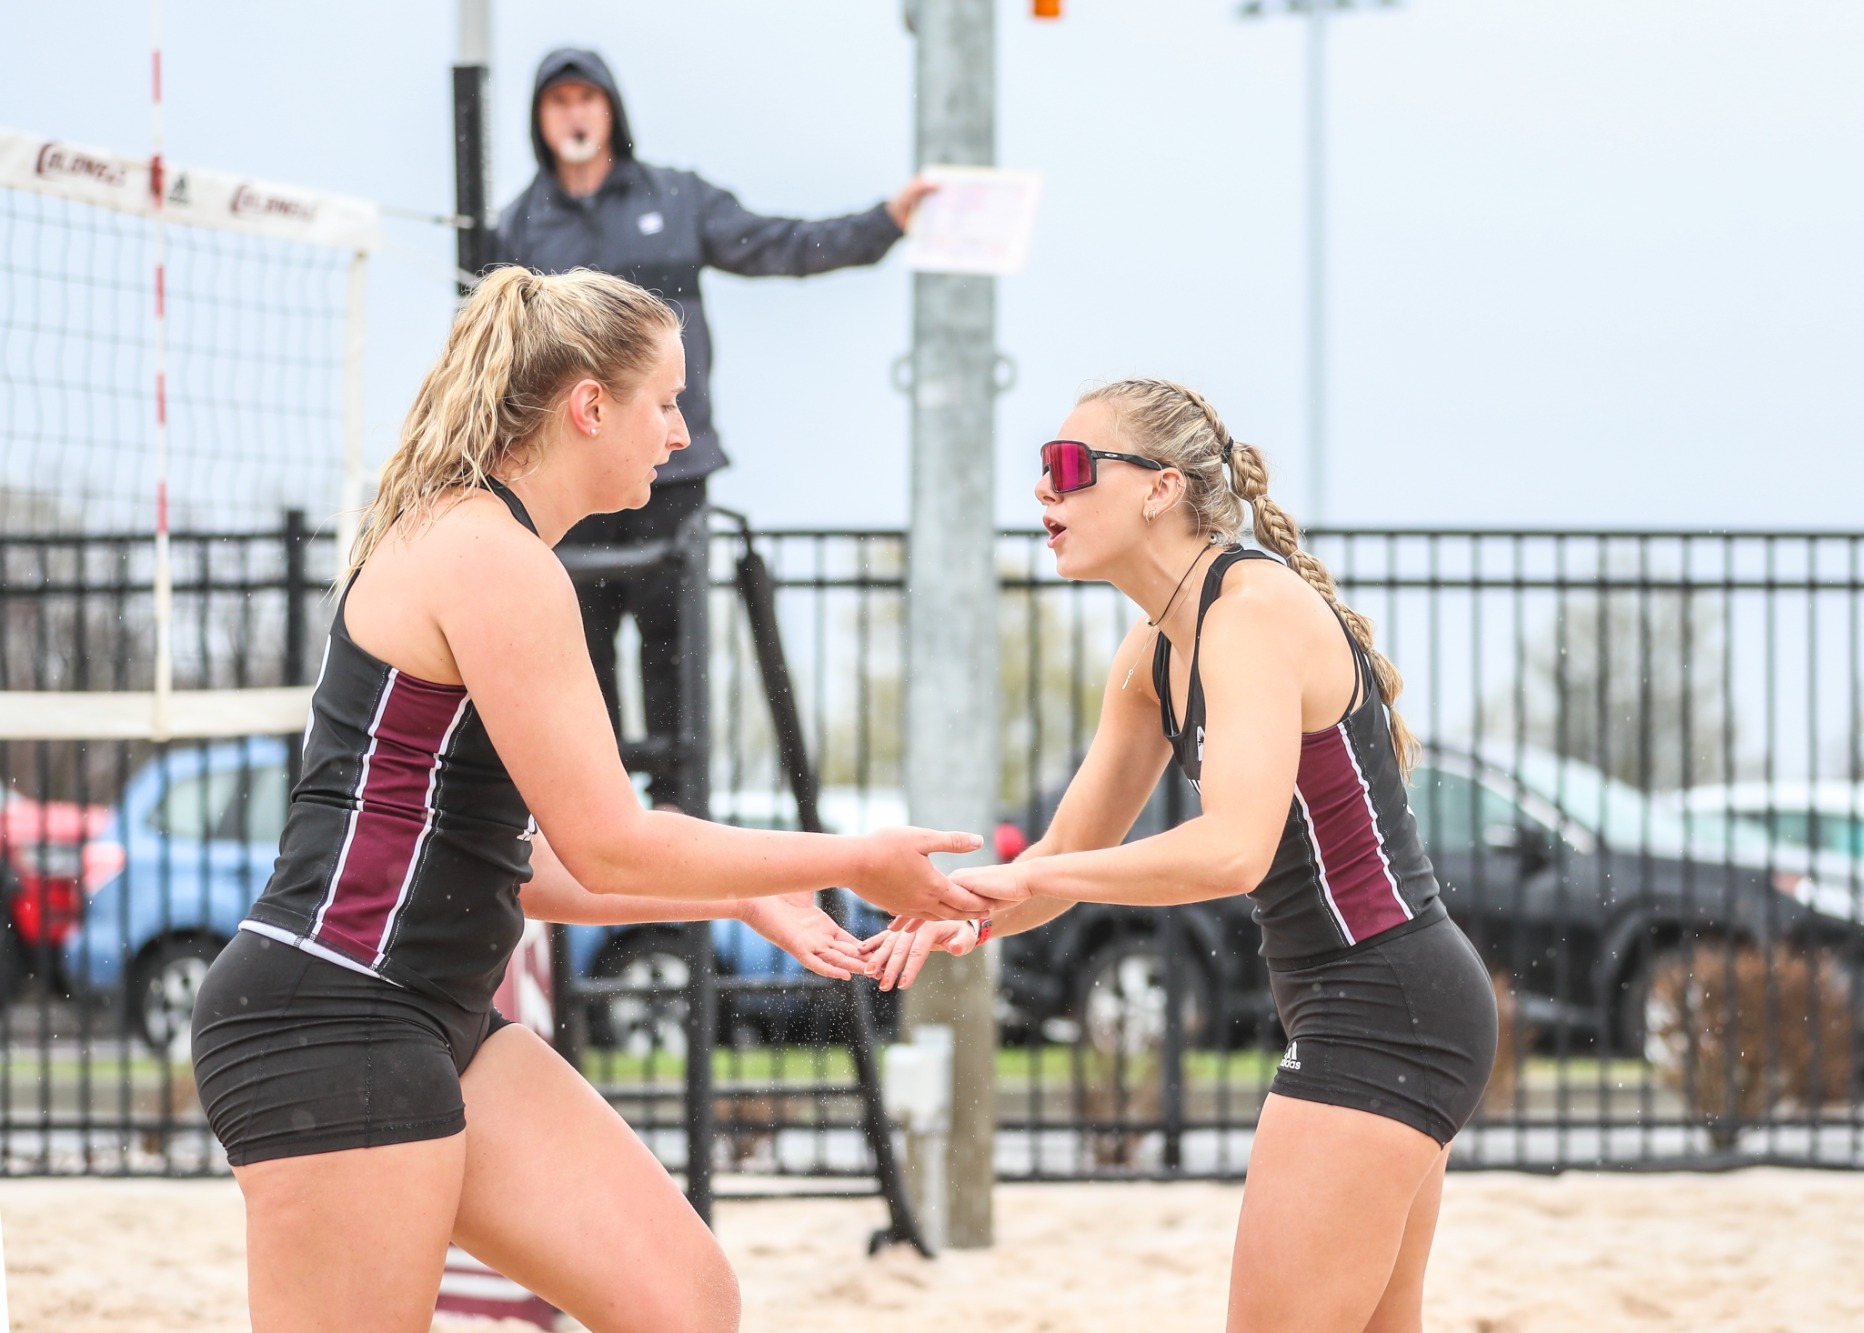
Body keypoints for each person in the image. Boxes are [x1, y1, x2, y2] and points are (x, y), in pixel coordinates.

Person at [189, 267, 1006, 1333]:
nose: (679, 432)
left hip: (429, 1017)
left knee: (683, 1298)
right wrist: (845, 859)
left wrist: (743, 896)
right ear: (587, 405)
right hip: (332, 1012)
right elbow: (615, 841)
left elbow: (542, 870)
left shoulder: (490, 548)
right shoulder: (489, 557)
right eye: (664, 401)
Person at [864, 380, 1498, 1332]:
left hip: (1386, 1003)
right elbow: (1069, 849)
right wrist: (968, 909)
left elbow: (1231, 851)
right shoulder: (1156, 651)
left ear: (1160, 487)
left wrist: (1034, 877)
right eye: (1044, 470)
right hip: (1381, 1001)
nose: (1045, 493)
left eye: (1070, 467)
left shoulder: (1248, 613)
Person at [492, 47, 936, 809]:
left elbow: (782, 245)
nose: (574, 113)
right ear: (540, 119)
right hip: (567, 486)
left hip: (671, 474)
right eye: (557, 100)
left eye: (587, 98)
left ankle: (674, 818)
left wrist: (885, 223)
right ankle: (595, 814)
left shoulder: (677, 198)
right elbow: (491, 357)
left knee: (674, 661)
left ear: (611, 111)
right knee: (577, 654)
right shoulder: (519, 227)